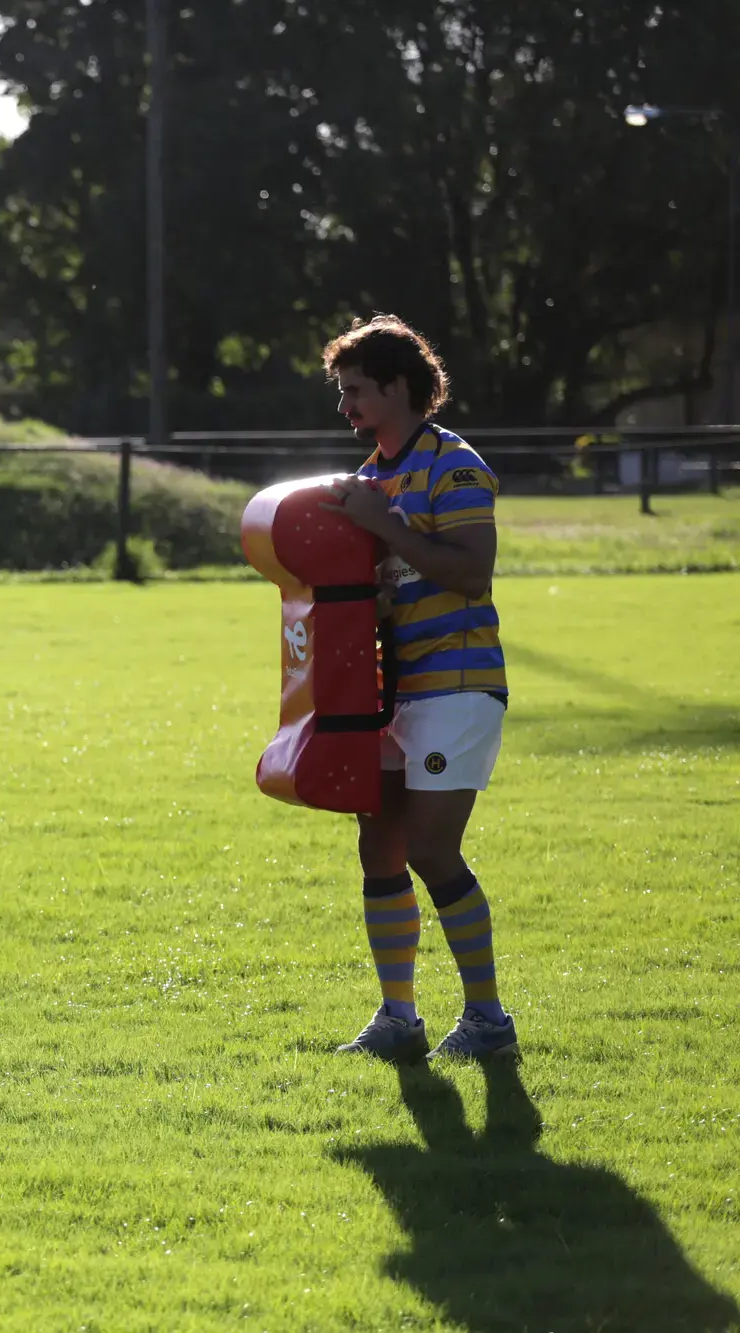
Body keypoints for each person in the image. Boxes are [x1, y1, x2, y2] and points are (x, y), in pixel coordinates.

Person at [317, 315, 518, 1062]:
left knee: (434, 850)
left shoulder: (453, 464)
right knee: (380, 848)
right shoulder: (368, 480)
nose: (347, 409)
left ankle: (490, 1020)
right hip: (395, 694)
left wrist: (383, 527)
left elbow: (472, 571)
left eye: (358, 392)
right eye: (342, 393)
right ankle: (398, 1017)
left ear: (401, 387)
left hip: (457, 686)